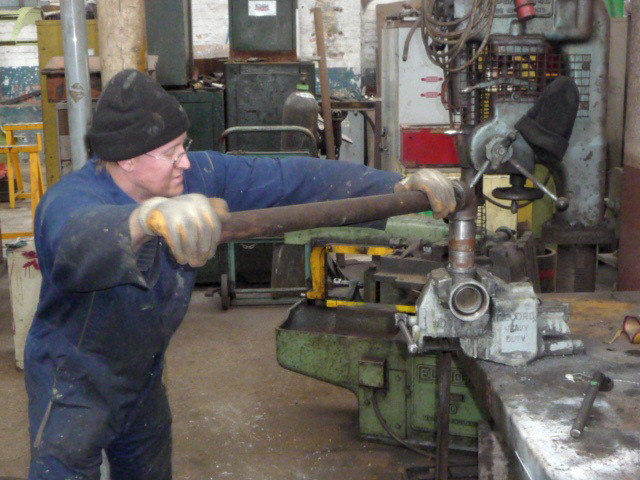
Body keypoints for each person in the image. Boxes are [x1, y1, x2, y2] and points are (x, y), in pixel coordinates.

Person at [24, 69, 458, 480]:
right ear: (127, 160)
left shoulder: (194, 177)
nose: (185, 163)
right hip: (74, 381)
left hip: (142, 375)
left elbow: (293, 178)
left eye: (184, 147)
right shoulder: (71, 200)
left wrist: (393, 187)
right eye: (171, 153)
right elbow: (73, 238)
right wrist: (144, 220)